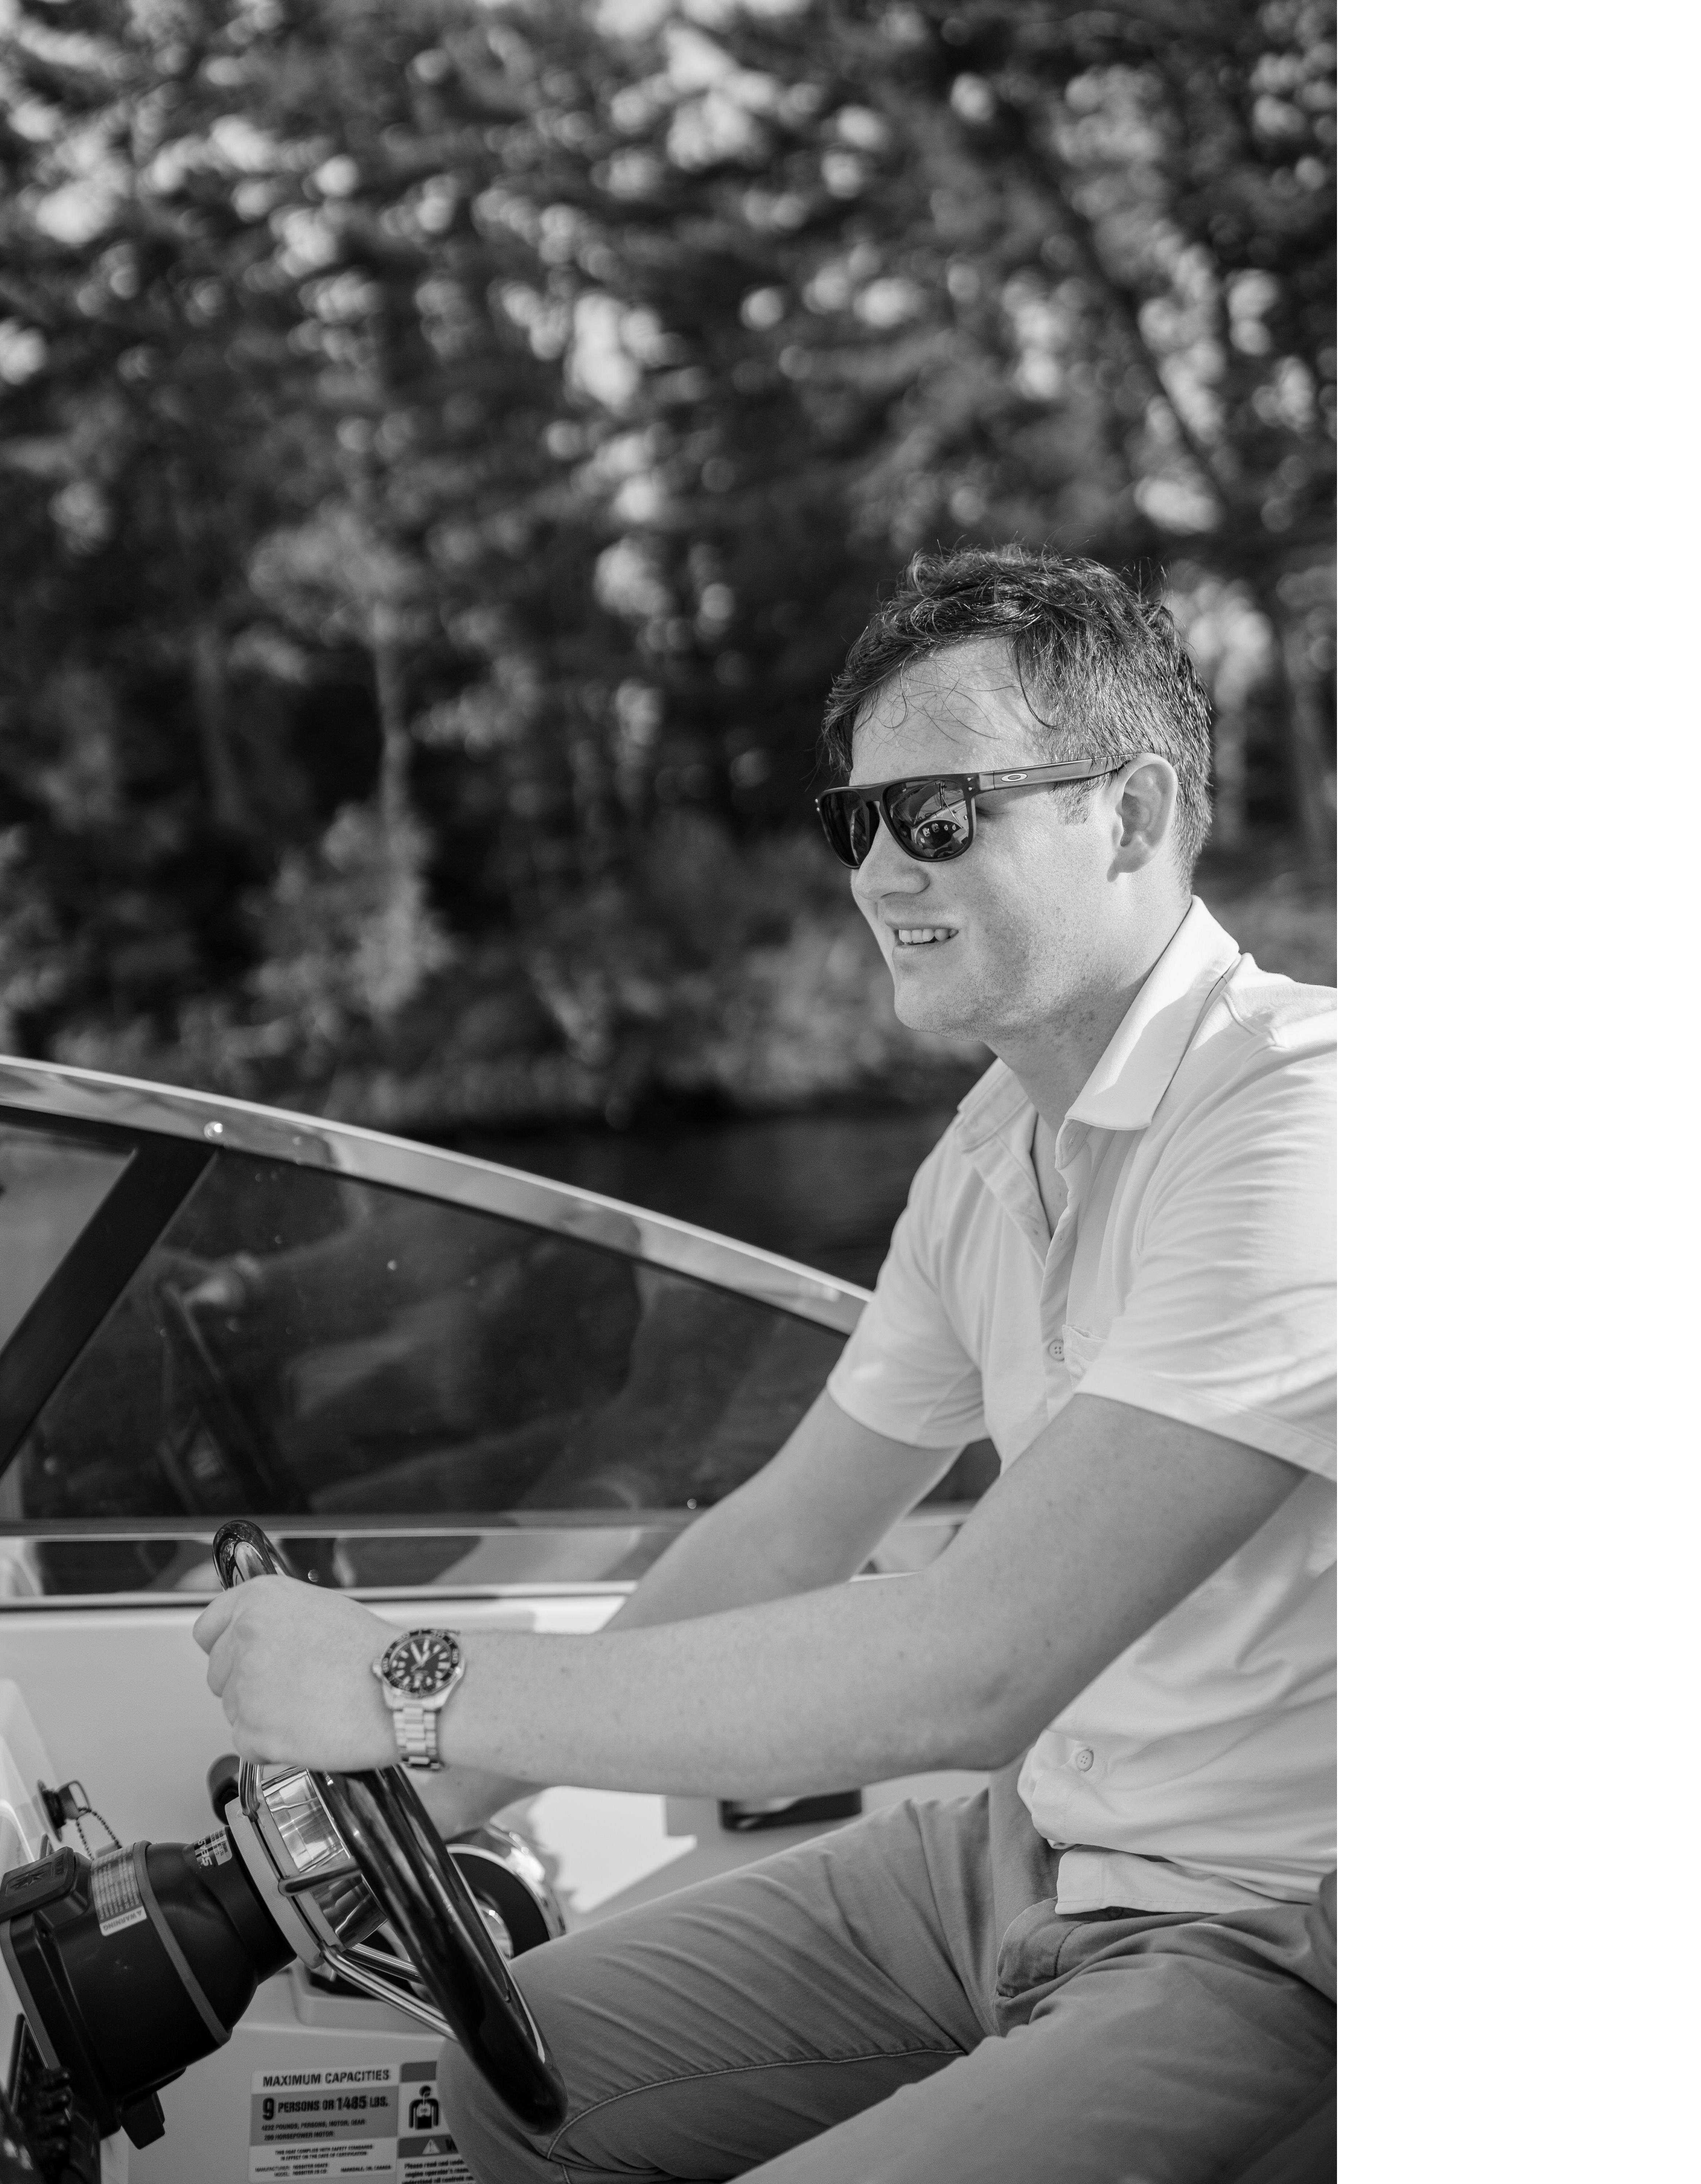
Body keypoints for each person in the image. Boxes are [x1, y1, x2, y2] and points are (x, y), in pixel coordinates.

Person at [194, 545, 1336, 2182]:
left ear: (1135, 815)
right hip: (1031, 1852)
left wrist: (406, 1689)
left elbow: (976, 1665)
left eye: (938, 815)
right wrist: (421, 1803)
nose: (881, 873)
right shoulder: (987, 1161)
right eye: (853, 823)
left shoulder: (1308, 1122)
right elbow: (789, 1534)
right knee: (518, 2088)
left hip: (1281, 1937)